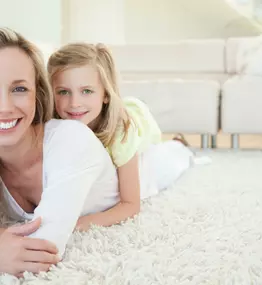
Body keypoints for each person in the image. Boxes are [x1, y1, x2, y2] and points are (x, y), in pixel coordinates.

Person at [0, 28, 119, 277]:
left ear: (38, 94)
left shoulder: (72, 139)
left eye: (19, 89)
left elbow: (44, 248)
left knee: (171, 159)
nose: (4, 107)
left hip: (144, 174)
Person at [47, 43, 195, 230]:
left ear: (106, 94)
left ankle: (179, 143)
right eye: (63, 92)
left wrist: (84, 222)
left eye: (87, 91)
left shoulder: (121, 132)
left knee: (165, 161)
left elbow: (131, 205)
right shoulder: (54, 126)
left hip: (141, 127)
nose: (74, 103)